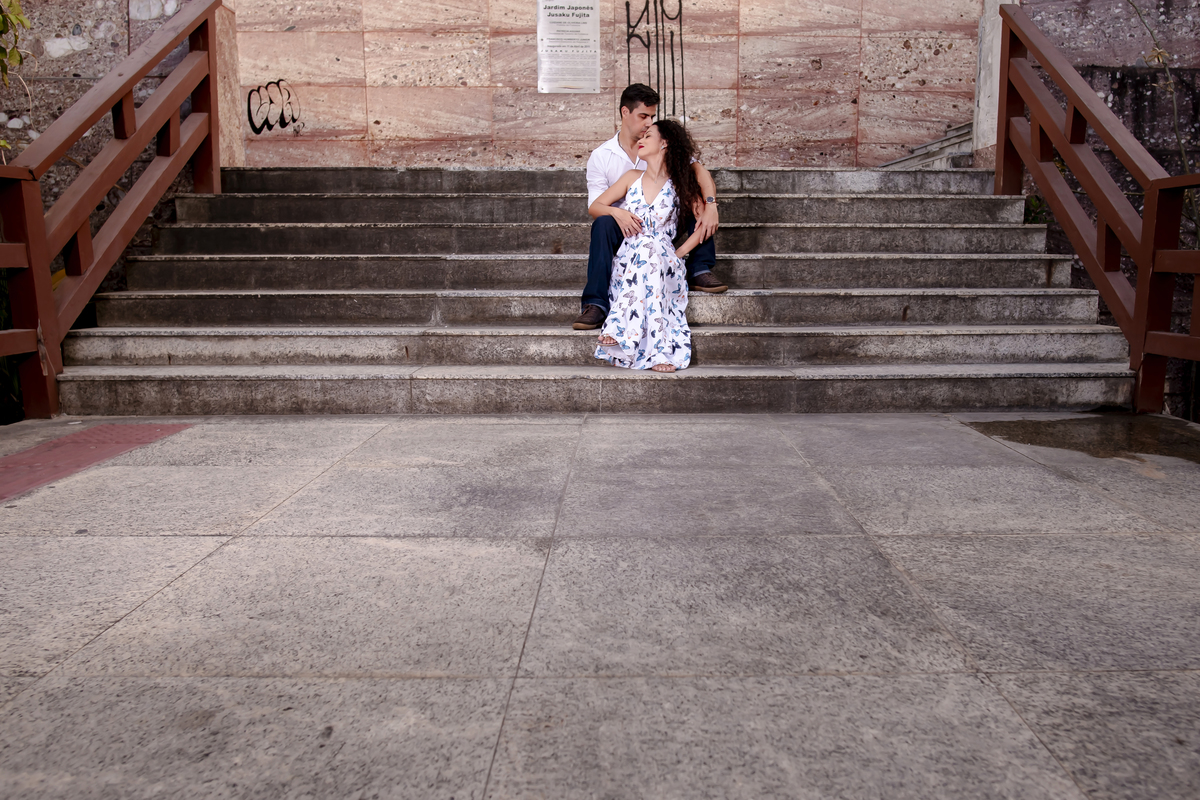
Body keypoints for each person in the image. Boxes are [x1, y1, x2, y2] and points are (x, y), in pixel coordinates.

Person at [572, 84, 725, 331]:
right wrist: (617, 212)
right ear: (625, 112)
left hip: (663, 225)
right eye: (643, 116)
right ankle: (596, 304)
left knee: (693, 195)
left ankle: (699, 268)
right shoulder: (602, 156)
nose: (648, 122)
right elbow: (595, 206)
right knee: (602, 224)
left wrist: (711, 204)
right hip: (625, 228)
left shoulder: (661, 146)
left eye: (652, 117)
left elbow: (699, 172)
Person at [589, 119, 705, 372]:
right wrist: (618, 213)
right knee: (645, 250)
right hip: (630, 259)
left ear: (665, 143)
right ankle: (659, 352)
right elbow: (595, 206)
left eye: (648, 136)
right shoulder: (631, 177)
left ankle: (619, 329)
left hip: (664, 259)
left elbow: (704, 223)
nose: (640, 140)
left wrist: (679, 253)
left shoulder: (681, 183)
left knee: (651, 250)